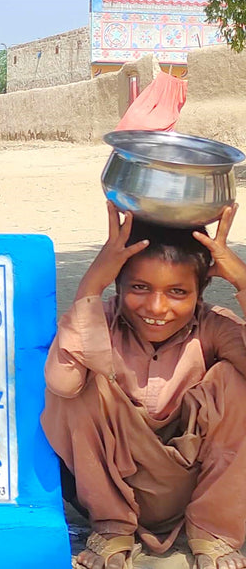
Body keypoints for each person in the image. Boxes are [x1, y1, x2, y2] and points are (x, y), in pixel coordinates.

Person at [42, 202, 246, 569]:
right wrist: (91, 284)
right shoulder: (100, 321)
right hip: (111, 484)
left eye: (177, 292)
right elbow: (63, 381)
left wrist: (242, 280)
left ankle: (213, 531)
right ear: (117, 284)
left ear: (200, 292)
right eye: (139, 287)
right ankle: (112, 527)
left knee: (236, 382)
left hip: (193, 483)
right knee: (80, 382)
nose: (156, 307)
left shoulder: (214, 326)